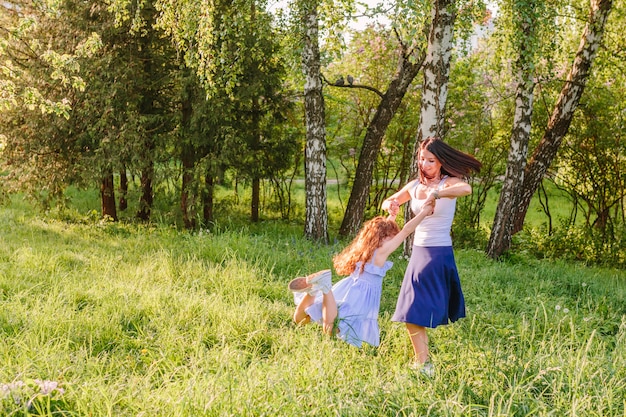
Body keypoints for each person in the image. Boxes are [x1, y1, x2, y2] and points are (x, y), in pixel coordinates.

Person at [381, 136, 481, 375]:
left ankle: (424, 363)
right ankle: (423, 363)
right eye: (421, 159)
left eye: (430, 160)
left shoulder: (448, 183)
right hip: (418, 252)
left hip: (437, 253)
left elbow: (466, 188)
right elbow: (391, 199)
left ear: (441, 162)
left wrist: (437, 195)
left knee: (410, 309)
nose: (424, 164)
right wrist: (390, 205)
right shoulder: (416, 185)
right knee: (411, 311)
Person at [288, 199, 434, 348]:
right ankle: (325, 287)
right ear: (385, 236)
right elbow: (406, 230)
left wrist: (392, 216)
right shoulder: (382, 252)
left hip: (349, 288)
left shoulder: (367, 250)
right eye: (392, 235)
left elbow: (385, 230)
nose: (395, 239)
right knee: (332, 327)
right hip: (360, 297)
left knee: (300, 319)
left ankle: (314, 290)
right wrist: (424, 212)